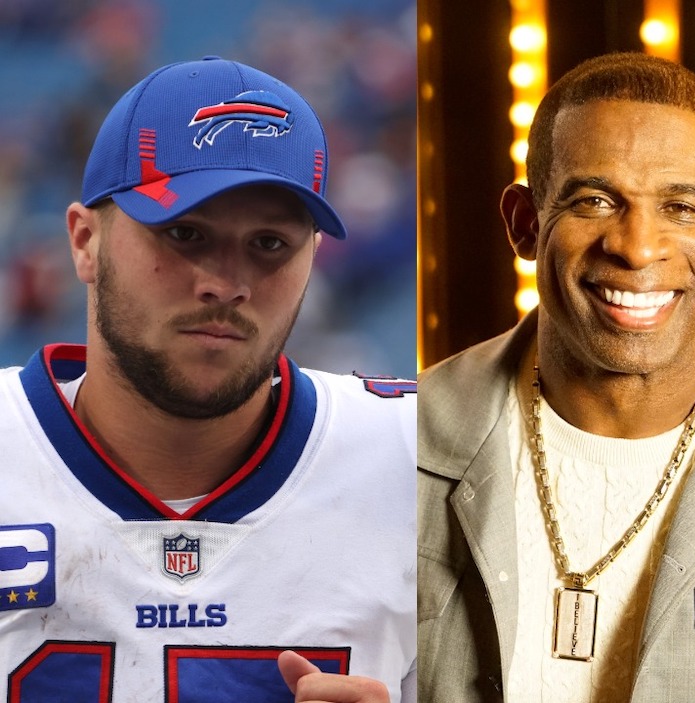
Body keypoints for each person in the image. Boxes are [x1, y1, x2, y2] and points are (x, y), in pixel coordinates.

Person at [418, 52, 695, 701]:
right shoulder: (404, 440)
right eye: (595, 200)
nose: (638, 246)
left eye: (682, 208)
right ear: (525, 223)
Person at [0, 57, 415, 702]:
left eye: (270, 244)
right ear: (85, 241)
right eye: (185, 233)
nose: (227, 283)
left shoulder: (422, 462)